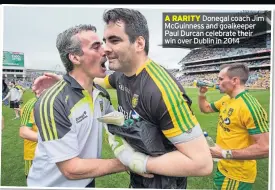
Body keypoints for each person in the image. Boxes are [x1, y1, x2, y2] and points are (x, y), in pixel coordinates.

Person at [32, 8, 213, 189]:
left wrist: (139, 162)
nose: (105, 49)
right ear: (74, 57)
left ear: (139, 44)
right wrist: (66, 84)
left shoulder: (161, 90)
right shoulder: (120, 76)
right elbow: (94, 81)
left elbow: (202, 163)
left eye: (114, 40)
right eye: (101, 43)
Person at [27, 24, 151, 188]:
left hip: (87, 181)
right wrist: (132, 163)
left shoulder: (100, 94)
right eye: (96, 46)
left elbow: (120, 124)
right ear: (75, 58)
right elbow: (71, 169)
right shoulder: (52, 102)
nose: (105, 50)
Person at [197, 63, 269, 190]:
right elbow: (206, 108)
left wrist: (224, 153)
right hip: (223, 167)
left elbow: (265, 148)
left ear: (234, 80)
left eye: (220, 79)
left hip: (237, 175)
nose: (217, 82)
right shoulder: (226, 99)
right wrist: (202, 94)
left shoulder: (249, 107)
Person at [19, 94, 39, 179]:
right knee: (32, 178)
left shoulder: (54, 102)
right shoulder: (30, 106)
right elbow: (24, 132)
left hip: (49, 151)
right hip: (32, 152)